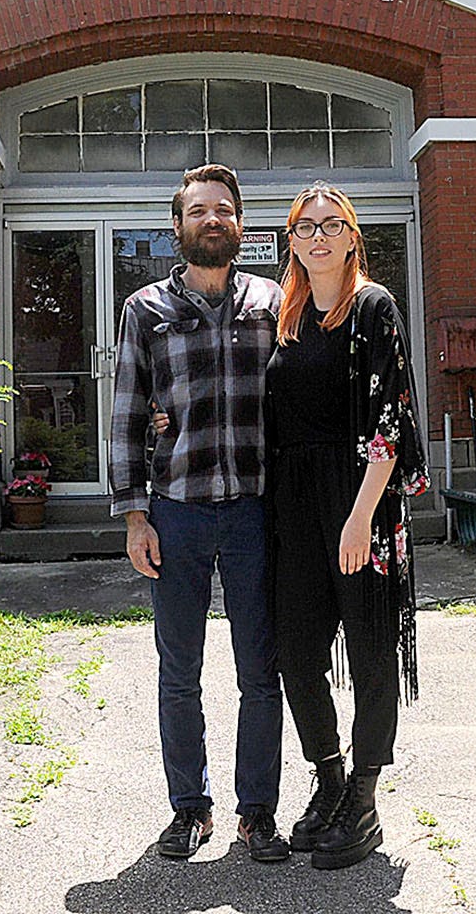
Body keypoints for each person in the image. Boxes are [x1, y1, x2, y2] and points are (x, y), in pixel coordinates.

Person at [109, 164, 290, 863]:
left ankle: (257, 814)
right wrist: (133, 516)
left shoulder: (274, 302)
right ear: (177, 226)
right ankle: (191, 809)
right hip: (176, 512)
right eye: (197, 211)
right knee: (178, 670)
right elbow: (127, 413)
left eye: (223, 210)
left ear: (241, 224)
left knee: (259, 672)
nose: (211, 220)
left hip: (254, 512)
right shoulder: (146, 309)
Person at [267, 183, 427, 870]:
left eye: (334, 225)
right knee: (295, 653)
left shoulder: (373, 305)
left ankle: (364, 801)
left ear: (354, 236)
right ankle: (329, 779)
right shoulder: (288, 314)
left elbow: (391, 416)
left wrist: (360, 518)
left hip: (360, 499)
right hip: (295, 506)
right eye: (306, 227)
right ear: (292, 241)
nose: (320, 237)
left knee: (367, 654)